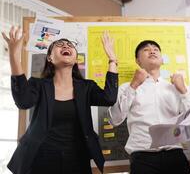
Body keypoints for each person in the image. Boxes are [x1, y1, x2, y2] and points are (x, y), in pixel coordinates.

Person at [2, 27, 119, 174]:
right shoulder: (39, 85)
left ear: (76, 59)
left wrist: (112, 59)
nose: (66, 46)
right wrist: (14, 54)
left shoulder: (86, 87)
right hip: (41, 158)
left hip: (77, 159)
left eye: (70, 45)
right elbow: (23, 102)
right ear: (50, 58)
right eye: (59, 45)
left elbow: (109, 98)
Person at [107, 40, 190, 174]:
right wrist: (134, 85)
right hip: (143, 158)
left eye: (156, 49)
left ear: (162, 59)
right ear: (138, 60)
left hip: (175, 155)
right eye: (146, 50)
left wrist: (183, 90)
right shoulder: (126, 88)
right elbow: (114, 119)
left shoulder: (175, 86)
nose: (152, 51)